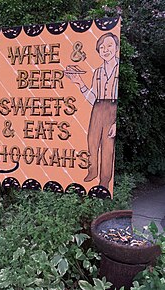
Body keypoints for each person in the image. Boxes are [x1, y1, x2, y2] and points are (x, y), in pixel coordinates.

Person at [65, 32, 119, 189]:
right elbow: (92, 97)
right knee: (92, 141)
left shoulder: (117, 71)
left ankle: (104, 180)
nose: (105, 49)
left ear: (116, 48)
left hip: (112, 109)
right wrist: (80, 83)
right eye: (101, 47)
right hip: (97, 108)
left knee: (108, 147)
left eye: (109, 45)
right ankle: (92, 171)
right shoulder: (97, 72)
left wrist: (116, 122)